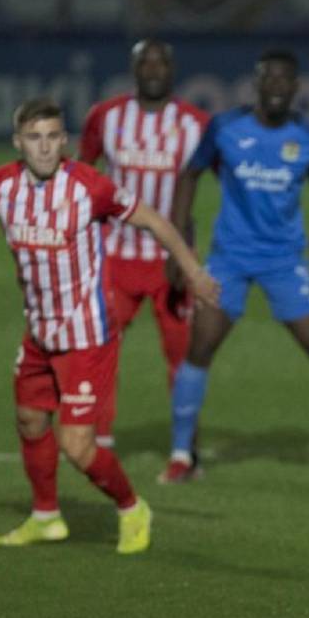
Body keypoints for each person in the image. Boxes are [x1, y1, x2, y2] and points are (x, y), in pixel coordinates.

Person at [0, 97, 219, 553]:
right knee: (31, 421)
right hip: (39, 333)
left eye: (53, 137)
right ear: (18, 142)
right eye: (34, 138)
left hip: (86, 336)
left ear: (64, 140)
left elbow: (153, 220)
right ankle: (46, 516)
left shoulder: (89, 187)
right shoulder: (2, 185)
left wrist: (192, 270)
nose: (45, 147)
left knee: (77, 446)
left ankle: (132, 507)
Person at [163, 49, 309, 486]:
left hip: (284, 261)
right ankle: (179, 454)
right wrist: (181, 247)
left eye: (286, 81)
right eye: (270, 79)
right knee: (200, 348)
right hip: (229, 258)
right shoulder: (226, 128)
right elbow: (188, 177)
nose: (278, 88)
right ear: (258, 83)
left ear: (295, 88)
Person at [80, 39, 210, 453]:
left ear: (173, 69)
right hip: (114, 256)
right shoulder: (105, 116)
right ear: (133, 69)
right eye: (145, 62)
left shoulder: (197, 124)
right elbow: (83, 177)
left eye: (161, 63)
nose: (153, 70)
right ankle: (98, 439)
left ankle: (184, 448)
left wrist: (186, 253)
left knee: (182, 356)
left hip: (169, 263)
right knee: (101, 348)